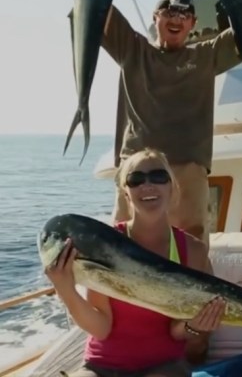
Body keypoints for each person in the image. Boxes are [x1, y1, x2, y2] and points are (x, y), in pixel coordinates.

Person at [46, 148, 227, 377]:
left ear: (172, 186)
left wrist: (195, 326)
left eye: (159, 177)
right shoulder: (103, 244)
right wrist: (66, 290)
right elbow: (101, 328)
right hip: (102, 366)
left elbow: (176, 331)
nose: (147, 185)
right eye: (136, 179)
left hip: (163, 367)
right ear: (125, 192)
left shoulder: (193, 251)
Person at [102, 0, 242, 246]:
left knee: (192, 238)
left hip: (188, 165)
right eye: (168, 12)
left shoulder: (205, 55)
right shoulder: (133, 49)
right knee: (123, 237)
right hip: (136, 167)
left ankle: (189, 286)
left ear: (193, 23)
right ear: (155, 18)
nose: (176, 18)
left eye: (184, 14)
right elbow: (97, 7)